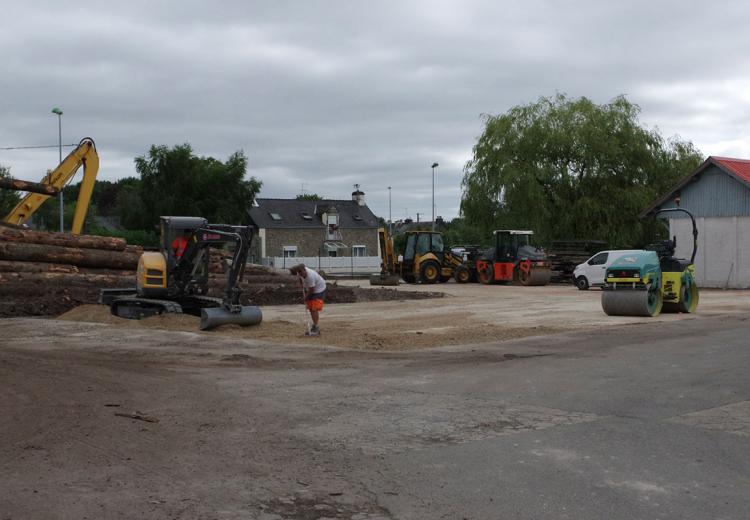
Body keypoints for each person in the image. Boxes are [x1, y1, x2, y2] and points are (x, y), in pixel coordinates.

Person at [289, 263, 326, 336]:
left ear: (304, 270)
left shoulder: (310, 276)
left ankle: (316, 327)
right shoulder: (299, 273)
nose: (300, 274)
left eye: (301, 272)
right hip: (311, 289)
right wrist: (302, 285)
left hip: (319, 289)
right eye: (299, 273)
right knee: (310, 308)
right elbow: (300, 279)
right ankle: (314, 327)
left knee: (314, 308)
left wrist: (305, 297)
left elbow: (311, 290)